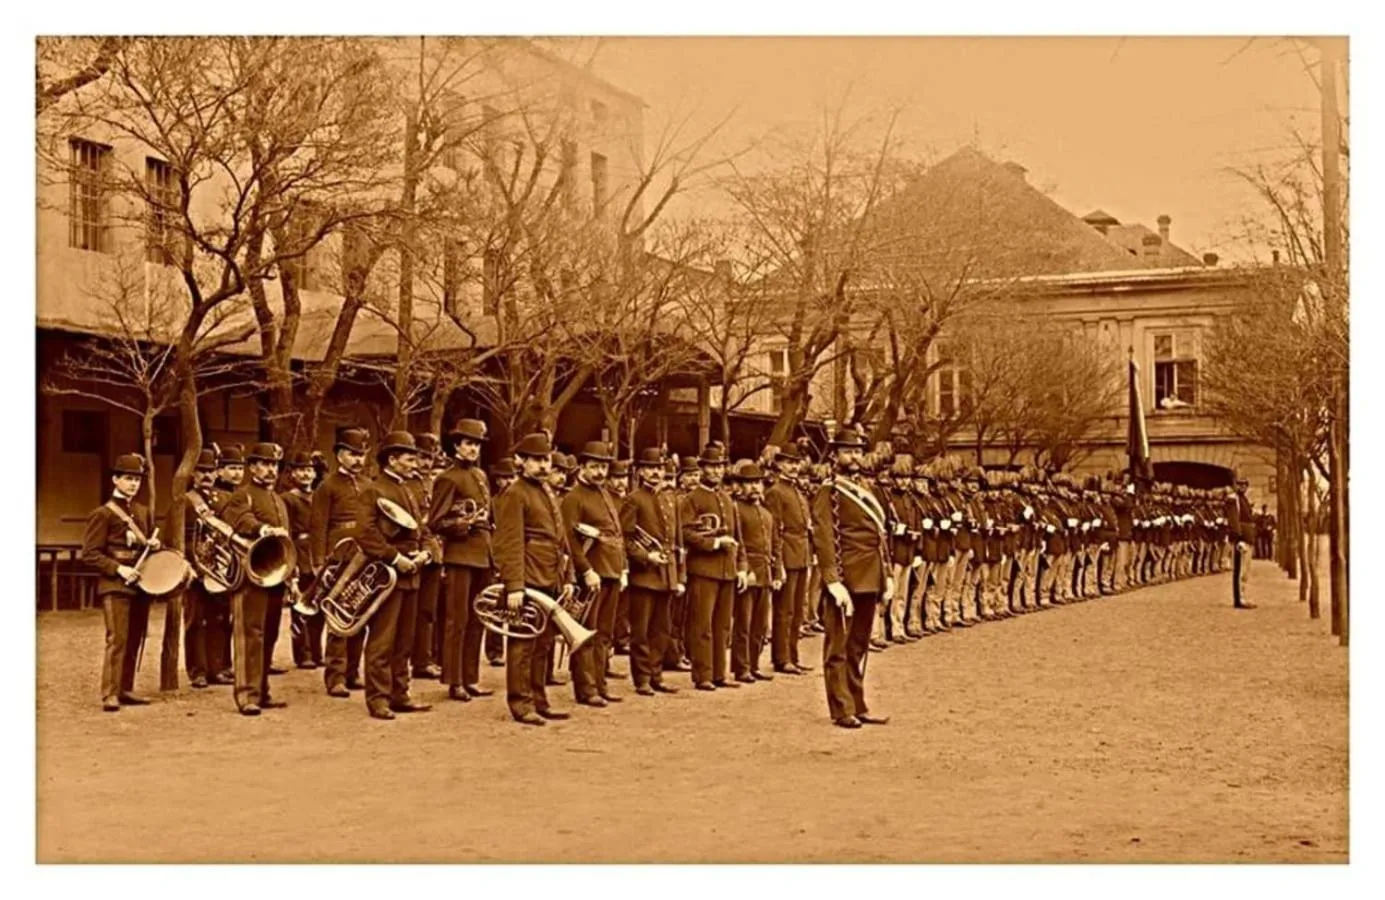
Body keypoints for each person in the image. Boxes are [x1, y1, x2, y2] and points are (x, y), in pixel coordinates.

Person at [810, 425, 892, 729]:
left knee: (859, 644)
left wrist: (887, 575)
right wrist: (832, 580)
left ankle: (858, 703)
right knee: (838, 647)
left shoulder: (867, 488)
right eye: (848, 451)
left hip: (870, 575)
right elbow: (824, 537)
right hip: (846, 578)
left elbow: (879, 536)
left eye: (858, 451)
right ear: (835, 456)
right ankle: (841, 708)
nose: (854, 457)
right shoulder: (828, 491)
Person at [493, 432, 575, 726]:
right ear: (521, 461)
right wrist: (514, 585)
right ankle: (521, 703)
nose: (543, 465)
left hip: (549, 577)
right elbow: (509, 542)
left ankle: (539, 700)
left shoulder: (547, 491)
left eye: (546, 460)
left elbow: (560, 539)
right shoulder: (515, 494)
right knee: (522, 645)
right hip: (528, 579)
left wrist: (567, 577)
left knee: (544, 644)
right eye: (536, 460)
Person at [355, 432, 434, 720]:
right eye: (409, 459)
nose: (415, 464)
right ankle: (378, 698)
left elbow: (421, 530)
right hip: (387, 573)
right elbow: (365, 533)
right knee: (382, 639)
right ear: (392, 459)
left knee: (404, 639)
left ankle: (400, 693)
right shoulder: (373, 490)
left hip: (411, 573)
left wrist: (426, 553)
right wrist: (395, 558)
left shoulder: (408, 490)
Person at [81, 452, 159, 712]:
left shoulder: (143, 512)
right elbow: (90, 554)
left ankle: (125, 689)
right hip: (115, 586)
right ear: (115, 480)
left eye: (137, 479)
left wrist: (154, 545)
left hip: (140, 585)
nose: (134, 484)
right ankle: (110, 693)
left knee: (135, 638)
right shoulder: (103, 514)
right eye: (128, 478)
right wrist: (119, 569)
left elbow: (146, 551)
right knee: (118, 639)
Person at [221, 442, 294, 715]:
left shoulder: (279, 500)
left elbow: (286, 541)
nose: (270, 469)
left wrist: (291, 575)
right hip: (249, 575)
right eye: (264, 464)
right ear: (252, 467)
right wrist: (262, 528)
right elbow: (240, 520)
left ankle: (262, 691)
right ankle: (246, 695)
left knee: (269, 635)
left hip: (275, 575)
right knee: (249, 635)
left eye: (274, 465)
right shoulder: (242, 495)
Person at [429, 420, 496, 703]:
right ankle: (454, 680)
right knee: (457, 620)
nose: (473, 449)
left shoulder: (480, 475)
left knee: (478, 618)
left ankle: (471, 678)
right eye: (468, 443)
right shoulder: (448, 478)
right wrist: (463, 525)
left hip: (483, 554)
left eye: (477, 444)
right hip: (459, 554)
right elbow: (435, 521)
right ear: (456, 446)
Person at [561, 441, 628, 708]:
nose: (600, 472)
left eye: (603, 467)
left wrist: (621, 568)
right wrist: (586, 570)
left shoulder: (605, 494)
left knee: (605, 633)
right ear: (582, 467)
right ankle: (586, 689)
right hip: (591, 575)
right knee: (586, 633)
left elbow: (616, 535)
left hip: (611, 572)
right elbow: (569, 541)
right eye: (594, 467)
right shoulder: (574, 498)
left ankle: (600, 684)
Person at [679, 443, 747, 691]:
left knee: (723, 625)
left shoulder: (728, 499)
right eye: (711, 467)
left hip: (727, 571)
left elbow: (739, 537)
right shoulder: (691, 499)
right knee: (702, 624)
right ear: (702, 469)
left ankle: (720, 673)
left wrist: (741, 567)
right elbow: (685, 532)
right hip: (703, 569)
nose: (717, 471)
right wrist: (715, 543)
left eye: (720, 466)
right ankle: (703, 674)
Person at [620, 448, 683, 696]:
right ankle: (642, 678)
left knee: (661, 630)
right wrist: (646, 557)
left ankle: (656, 674)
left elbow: (676, 542)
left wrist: (678, 576)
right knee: (641, 631)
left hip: (666, 575)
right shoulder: (633, 499)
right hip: (644, 575)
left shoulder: (670, 500)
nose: (655, 472)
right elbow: (626, 539)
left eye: (658, 468)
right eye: (650, 468)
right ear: (640, 472)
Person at [316, 427, 370, 698]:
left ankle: (352, 671)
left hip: (366, 556)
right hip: (339, 558)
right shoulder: (327, 486)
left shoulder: (369, 485)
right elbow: (318, 526)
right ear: (339, 455)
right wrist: (320, 562)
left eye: (361, 454)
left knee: (360, 614)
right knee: (338, 616)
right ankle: (335, 676)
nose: (357, 459)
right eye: (352, 454)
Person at [763, 445, 812, 674]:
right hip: (787, 553)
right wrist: (778, 563)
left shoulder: (797, 490)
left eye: (796, 462)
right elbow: (775, 531)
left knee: (797, 610)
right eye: (789, 462)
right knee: (785, 610)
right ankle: (781, 658)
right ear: (779, 464)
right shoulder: (775, 492)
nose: (793, 467)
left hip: (801, 553)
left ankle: (793, 654)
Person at [729, 460, 778, 683]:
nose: (755, 487)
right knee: (744, 623)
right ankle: (742, 667)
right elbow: (738, 544)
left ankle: (755, 664)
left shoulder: (766, 513)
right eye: (749, 483)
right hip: (747, 574)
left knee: (760, 624)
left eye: (758, 483)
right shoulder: (736, 510)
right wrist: (745, 569)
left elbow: (775, 545)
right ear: (740, 486)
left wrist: (777, 572)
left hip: (765, 572)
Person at [177, 448, 221, 688]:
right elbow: (177, 538)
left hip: (218, 569)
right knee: (195, 621)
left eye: (211, 471)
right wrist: (190, 564)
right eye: (202, 471)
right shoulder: (185, 501)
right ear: (193, 474)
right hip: (195, 570)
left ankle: (216, 668)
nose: (207, 475)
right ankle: (197, 671)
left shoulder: (222, 499)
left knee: (218, 619)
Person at [281, 451, 323, 670]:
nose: (306, 474)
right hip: (299, 551)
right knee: (299, 606)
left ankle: (316, 651)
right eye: (301, 470)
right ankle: (303, 653)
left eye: (309, 470)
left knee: (318, 606)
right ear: (293, 474)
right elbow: (287, 531)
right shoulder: (288, 499)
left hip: (317, 552)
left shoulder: (318, 497)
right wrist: (292, 561)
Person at [410, 433, 445, 681]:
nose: (425, 462)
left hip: (433, 551)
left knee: (427, 610)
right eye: (421, 457)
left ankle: (423, 660)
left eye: (430, 457)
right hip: (412, 550)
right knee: (406, 611)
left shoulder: (435, 483)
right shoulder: (406, 484)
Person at [1226, 479, 1257, 610]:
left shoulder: (1243, 499)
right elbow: (1234, 520)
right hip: (1242, 538)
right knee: (1240, 570)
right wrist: (1238, 538)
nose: (1242, 487)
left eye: (1245, 485)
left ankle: (1242, 596)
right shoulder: (1233, 499)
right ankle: (1239, 599)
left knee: (1245, 570)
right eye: (1240, 485)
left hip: (1247, 537)